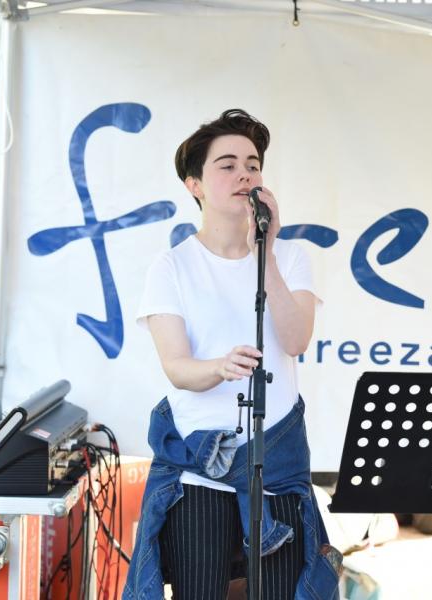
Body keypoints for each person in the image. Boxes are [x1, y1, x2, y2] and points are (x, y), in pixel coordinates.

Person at [124, 109, 339, 600]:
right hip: (202, 466)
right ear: (194, 184)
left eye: (253, 164)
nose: (245, 173)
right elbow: (176, 367)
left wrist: (264, 249)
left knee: (286, 591)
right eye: (227, 164)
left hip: (276, 461)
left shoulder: (291, 256)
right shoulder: (172, 266)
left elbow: (297, 338)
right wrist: (219, 368)